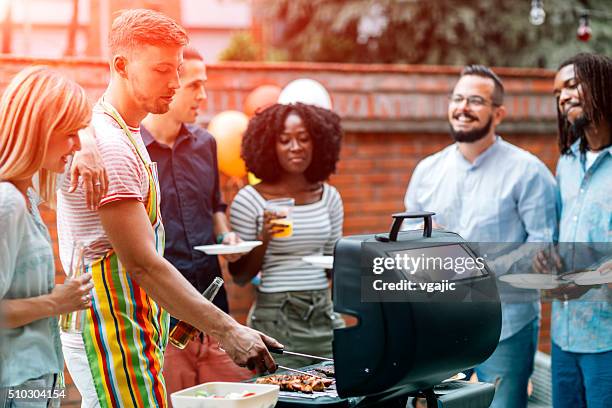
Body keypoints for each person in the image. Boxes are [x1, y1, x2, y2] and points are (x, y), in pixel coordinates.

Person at [57, 9, 279, 408]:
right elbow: (143, 264)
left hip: (130, 326)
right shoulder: (110, 145)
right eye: (162, 69)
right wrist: (228, 330)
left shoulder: (119, 132)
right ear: (121, 65)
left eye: (178, 69)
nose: (175, 83)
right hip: (108, 330)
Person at [403, 65, 557, 408]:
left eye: (475, 100)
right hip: (440, 323)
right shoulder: (427, 171)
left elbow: (543, 248)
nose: (463, 107)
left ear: (498, 113)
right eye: (458, 98)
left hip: (507, 326)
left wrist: (475, 263)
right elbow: (410, 248)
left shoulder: (528, 172)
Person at [140, 46, 252, 402]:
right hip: (165, 321)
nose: (203, 96)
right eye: (195, 86)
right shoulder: (133, 151)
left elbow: (215, 205)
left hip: (217, 312)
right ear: (168, 83)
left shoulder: (206, 144)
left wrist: (226, 235)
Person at [0, 66, 94, 407]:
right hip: (14, 385)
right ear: (39, 131)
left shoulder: (27, 196)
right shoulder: (8, 202)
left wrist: (87, 149)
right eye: (70, 133)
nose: (77, 144)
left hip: (38, 379)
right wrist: (58, 301)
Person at [229, 102, 344, 367]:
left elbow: (332, 264)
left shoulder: (329, 197)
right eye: (285, 140)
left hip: (323, 312)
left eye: (304, 139)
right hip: (276, 315)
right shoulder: (250, 199)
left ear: (318, 144)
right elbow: (241, 276)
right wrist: (264, 236)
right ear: (270, 146)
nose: (296, 147)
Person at [547, 52, 612, 408]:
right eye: (558, 92)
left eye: (573, 85)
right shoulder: (566, 163)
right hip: (564, 336)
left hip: (608, 343)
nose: (563, 97)